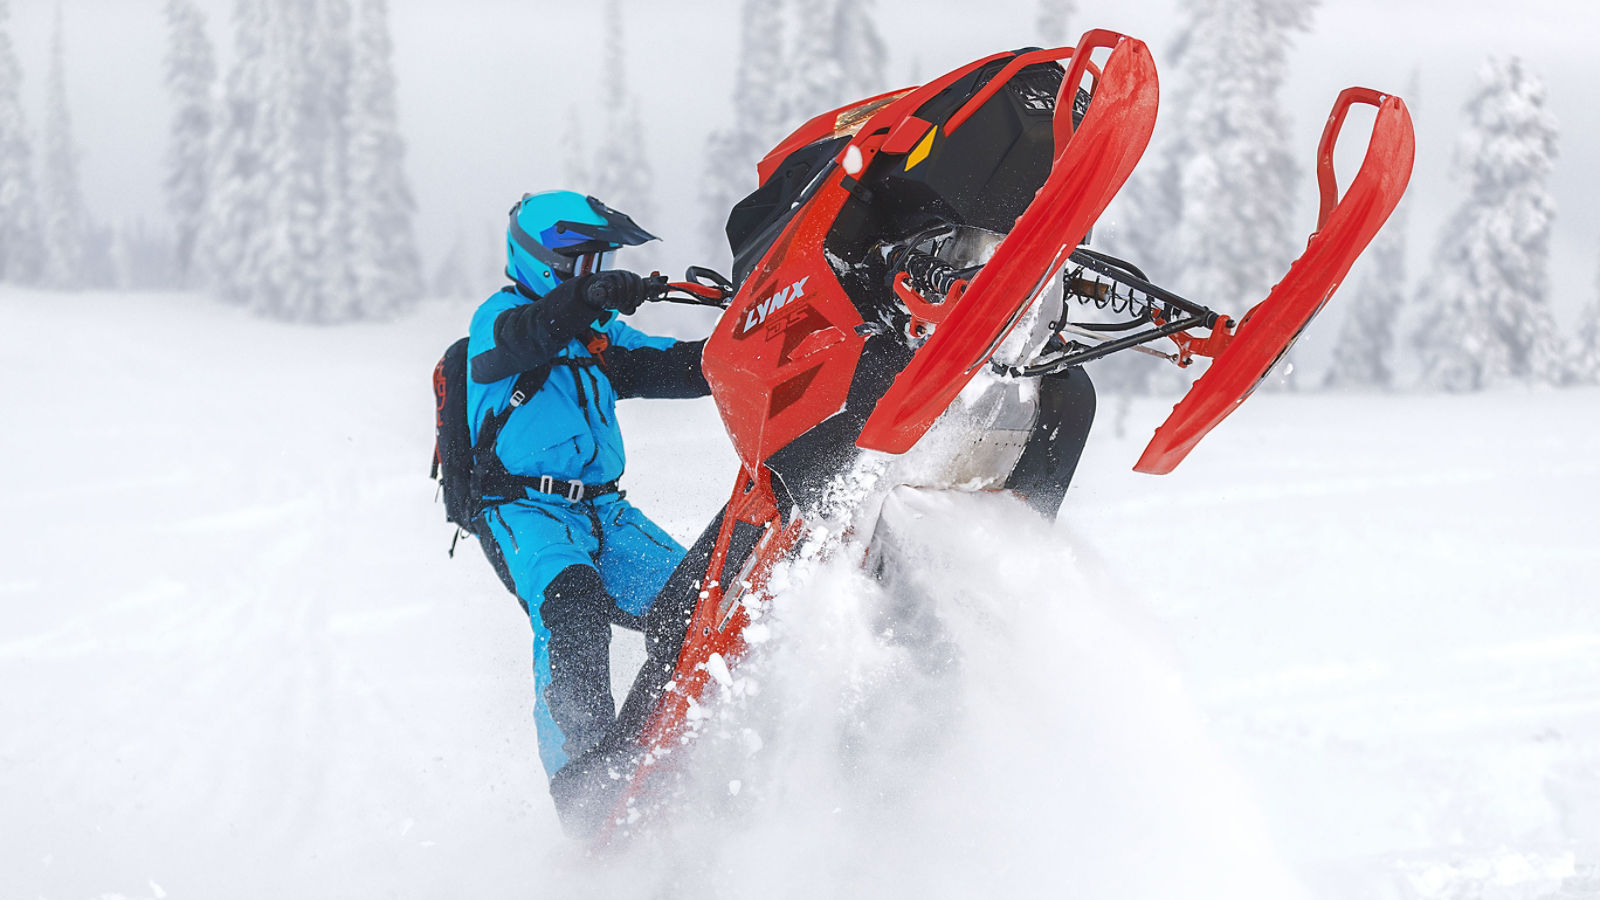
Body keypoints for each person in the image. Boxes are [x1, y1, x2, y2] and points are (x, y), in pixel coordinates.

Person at [466, 190, 711, 789]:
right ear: (541, 259)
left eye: (597, 266)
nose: (591, 276)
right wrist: (587, 297)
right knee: (572, 607)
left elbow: (684, 367)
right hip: (526, 512)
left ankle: (696, 749)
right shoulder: (495, 325)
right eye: (581, 264)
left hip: (608, 513)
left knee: (705, 608)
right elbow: (528, 336)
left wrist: (766, 341)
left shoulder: (600, 342)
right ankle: (585, 777)